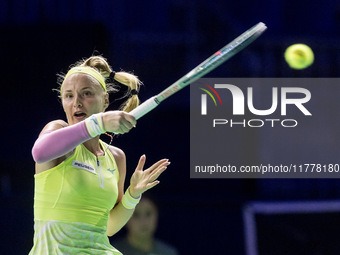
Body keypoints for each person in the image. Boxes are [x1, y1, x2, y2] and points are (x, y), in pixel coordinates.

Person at [29, 56, 170, 254]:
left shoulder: (116, 157)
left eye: (86, 94)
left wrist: (132, 196)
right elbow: (39, 152)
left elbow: (109, 226)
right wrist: (99, 123)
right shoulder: (56, 132)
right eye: (69, 96)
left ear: (105, 100)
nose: (76, 102)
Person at [112, 195, 179, 255]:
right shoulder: (112, 252)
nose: (143, 221)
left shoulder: (168, 252)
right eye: (136, 214)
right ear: (125, 217)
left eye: (148, 213)